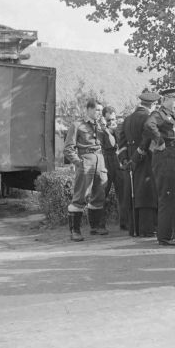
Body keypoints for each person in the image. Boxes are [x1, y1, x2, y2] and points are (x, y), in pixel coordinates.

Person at [142, 87, 175, 246]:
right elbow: (149, 125)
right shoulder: (159, 114)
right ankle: (165, 237)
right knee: (166, 198)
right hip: (166, 157)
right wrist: (159, 141)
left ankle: (169, 234)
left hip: (173, 157)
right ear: (166, 99)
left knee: (170, 197)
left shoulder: (169, 115)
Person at [64, 98, 109, 241]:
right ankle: (75, 231)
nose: (99, 113)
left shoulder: (101, 126)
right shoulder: (77, 125)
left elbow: (109, 144)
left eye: (100, 111)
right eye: (96, 110)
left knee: (99, 194)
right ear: (88, 109)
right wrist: (78, 162)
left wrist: (105, 129)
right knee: (80, 196)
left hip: (100, 161)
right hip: (86, 162)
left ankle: (95, 227)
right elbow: (68, 148)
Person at [118, 91, 161, 237]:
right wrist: (138, 156)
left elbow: (122, 143)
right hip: (145, 159)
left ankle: (134, 228)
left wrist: (125, 160)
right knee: (147, 193)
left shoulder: (127, 119)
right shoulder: (149, 118)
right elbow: (147, 140)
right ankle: (147, 229)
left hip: (130, 162)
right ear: (152, 104)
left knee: (134, 193)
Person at [99, 105, 128, 230]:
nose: (112, 122)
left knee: (122, 193)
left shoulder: (118, 128)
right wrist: (105, 128)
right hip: (106, 161)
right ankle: (99, 224)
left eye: (114, 119)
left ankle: (124, 222)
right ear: (104, 119)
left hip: (117, 161)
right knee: (102, 194)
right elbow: (108, 143)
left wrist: (114, 129)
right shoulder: (100, 131)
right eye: (109, 120)